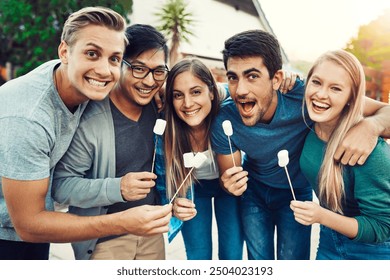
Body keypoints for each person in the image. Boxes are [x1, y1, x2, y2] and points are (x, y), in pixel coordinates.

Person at [0, 8, 171, 260]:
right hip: (10, 236)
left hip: (34, 231)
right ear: (64, 52)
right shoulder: (28, 118)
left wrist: (161, 88)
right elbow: (29, 225)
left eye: (114, 58)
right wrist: (122, 219)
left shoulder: (79, 84)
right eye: (92, 54)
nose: (104, 70)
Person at [210, 29, 390, 260]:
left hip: (297, 193)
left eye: (252, 76)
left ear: (276, 79)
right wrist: (229, 185)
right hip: (258, 192)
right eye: (233, 77)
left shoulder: (306, 96)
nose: (241, 89)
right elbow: (230, 175)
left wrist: (371, 126)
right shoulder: (225, 118)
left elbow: (378, 109)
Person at [52, 24, 171, 260]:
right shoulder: (91, 119)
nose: (149, 81)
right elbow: (61, 187)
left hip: (151, 232)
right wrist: (118, 188)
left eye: (158, 71)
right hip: (105, 239)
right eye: (138, 69)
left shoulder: (159, 107)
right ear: (118, 64)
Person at [290, 50, 390, 260]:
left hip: (373, 251)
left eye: (335, 88)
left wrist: (321, 216)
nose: (321, 94)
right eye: (316, 82)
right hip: (329, 240)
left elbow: (382, 228)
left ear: (351, 98)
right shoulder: (308, 121)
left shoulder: (370, 152)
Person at [159, 58, 244, 260]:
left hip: (228, 188)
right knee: (198, 255)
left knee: (232, 254)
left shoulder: (228, 112)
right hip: (192, 188)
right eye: (178, 95)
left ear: (212, 92)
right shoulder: (166, 125)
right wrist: (172, 205)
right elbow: (161, 182)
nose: (188, 104)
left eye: (196, 92)